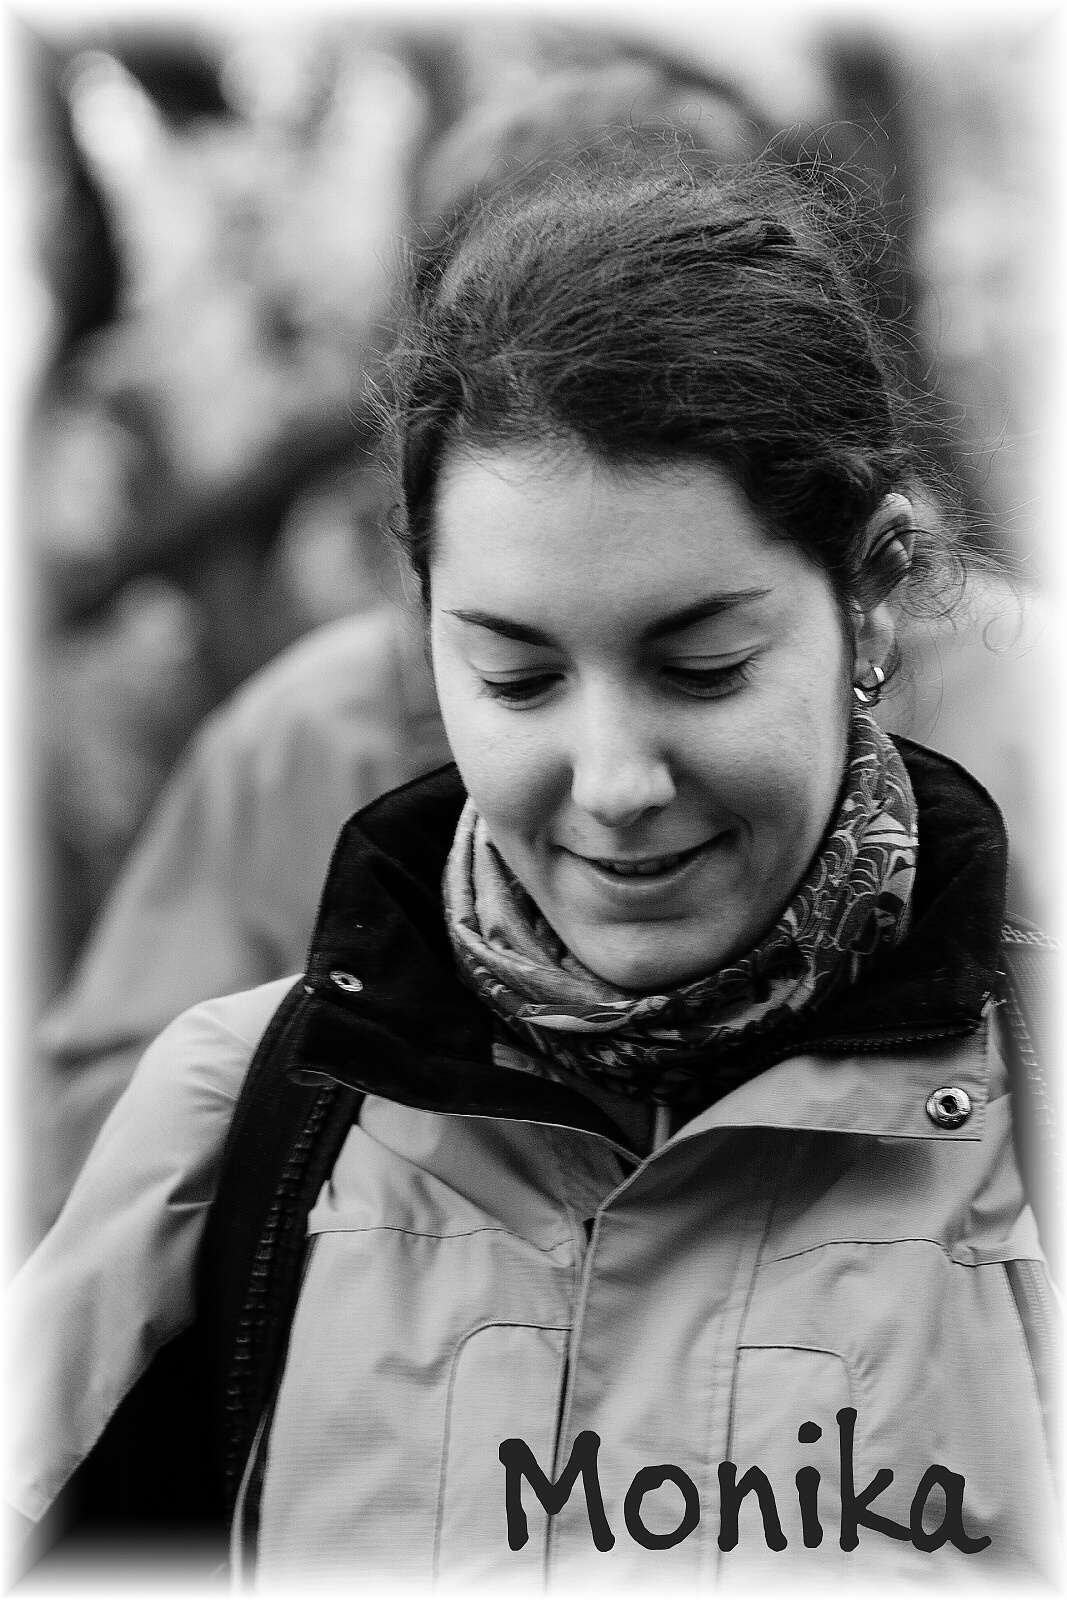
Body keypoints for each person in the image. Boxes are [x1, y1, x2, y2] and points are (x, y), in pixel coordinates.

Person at [8, 153, 1059, 1588]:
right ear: (422, 621)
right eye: (518, 678)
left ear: (871, 593)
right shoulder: (234, 1122)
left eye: (703, 668)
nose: (614, 783)